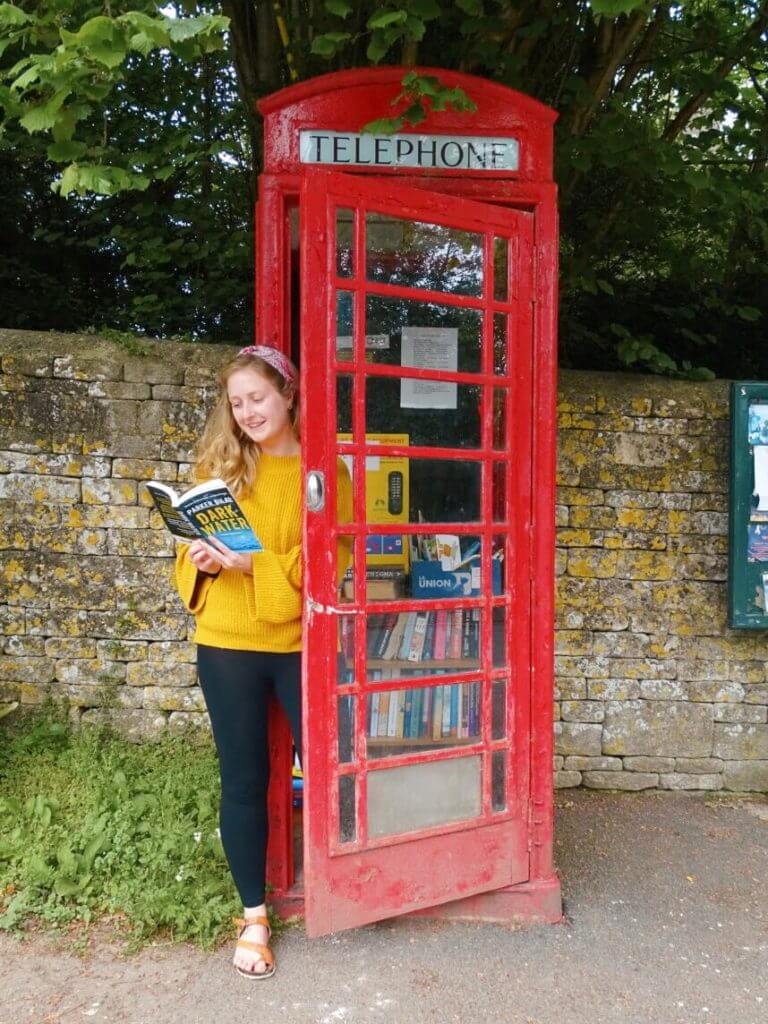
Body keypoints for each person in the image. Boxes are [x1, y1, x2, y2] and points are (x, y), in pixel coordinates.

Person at [172, 345, 352, 979]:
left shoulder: (323, 473)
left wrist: (254, 564)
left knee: (330, 771)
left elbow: (332, 568)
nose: (247, 411)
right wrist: (199, 560)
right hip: (226, 644)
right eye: (237, 401)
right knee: (244, 781)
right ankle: (254, 915)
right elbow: (185, 563)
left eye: (258, 398)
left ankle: (349, 887)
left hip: (300, 647)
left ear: (289, 396)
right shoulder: (218, 467)